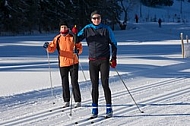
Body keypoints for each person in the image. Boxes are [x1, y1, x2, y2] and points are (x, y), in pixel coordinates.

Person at [77, 10, 117, 118]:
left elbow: (114, 43)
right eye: (94, 18)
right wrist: (74, 33)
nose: (96, 20)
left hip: (104, 60)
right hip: (92, 61)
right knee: (94, 85)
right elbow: (76, 39)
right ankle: (94, 109)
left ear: (101, 18)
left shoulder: (106, 29)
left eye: (98, 18)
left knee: (105, 84)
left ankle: (109, 108)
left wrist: (113, 58)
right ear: (91, 19)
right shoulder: (87, 28)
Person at [43, 21, 83, 108]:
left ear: (68, 28)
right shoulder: (57, 38)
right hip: (63, 63)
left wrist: (78, 51)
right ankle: (66, 100)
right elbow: (52, 48)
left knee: (74, 81)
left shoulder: (73, 37)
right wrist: (47, 46)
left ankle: (77, 100)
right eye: (62, 27)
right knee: (64, 82)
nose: (63, 29)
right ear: (60, 29)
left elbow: (79, 47)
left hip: (73, 62)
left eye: (65, 27)